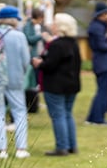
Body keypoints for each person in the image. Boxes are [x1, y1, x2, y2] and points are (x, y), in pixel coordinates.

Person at [0, 6, 31, 159]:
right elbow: (26, 60)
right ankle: (21, 148)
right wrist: (21, 73)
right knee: (19, 111)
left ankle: (2, 150)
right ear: (14, 19)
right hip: (15, 78)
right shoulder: (19, 36)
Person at [32, 13, 81, 156]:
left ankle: (62, 146)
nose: (51, 25)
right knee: (67, 114)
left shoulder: (57, 45)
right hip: (71, 84)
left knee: (58, 115)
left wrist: (40, 63)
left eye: (54, 23)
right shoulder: (73, 43)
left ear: (60, 27)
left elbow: (50, 65)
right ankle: (72, 145)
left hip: (55, 85)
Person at [85, 1, 107, 126]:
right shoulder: (97, 27)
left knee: (101, 90)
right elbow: (101, 45)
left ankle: (92, 116)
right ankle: (98, 118)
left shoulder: (97, 26)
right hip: (103, 62)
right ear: (103, 14)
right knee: (102, 92)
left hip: (101, 62)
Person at [23, 7, 50, 91]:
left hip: (40, 54)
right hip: (32, 55)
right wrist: (40, 36)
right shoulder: (28, 26)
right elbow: (29, 39)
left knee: (38, 77)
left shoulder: (40, 26)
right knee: (32, 78)